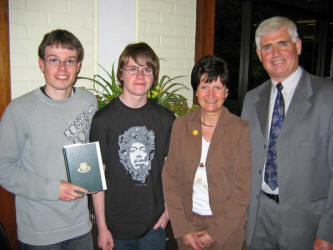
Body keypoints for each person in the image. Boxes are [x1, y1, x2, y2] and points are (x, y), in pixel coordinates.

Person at [241, 16, 333, 250]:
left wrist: (328, 232)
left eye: (282, 44)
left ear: (298, 46)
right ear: (259, 55)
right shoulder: (252, 99)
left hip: (307, 224)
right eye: (267, 47)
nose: (275, 54)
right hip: (258, 218)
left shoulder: (327, 96)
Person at [0, 29, 97, 249]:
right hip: (39, 232)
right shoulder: (19, 110)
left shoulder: (89, 102)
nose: (62, 68)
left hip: (81, 226)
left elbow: (88, 150)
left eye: (70, 61)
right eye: (54, 60)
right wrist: (53, 189)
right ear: (41, 64)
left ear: (78, 66)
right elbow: (3, 168)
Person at [90, 42, 175, 250]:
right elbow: (96, 178)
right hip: (115, 228)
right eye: (133, 69)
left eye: (147, 70)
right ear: (121, 75)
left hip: (154, 226)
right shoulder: (103, 120)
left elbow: (174, 170)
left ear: (154, 77)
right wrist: (102, 227)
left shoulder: (166, 119)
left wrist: (168, 212)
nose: (140, 76)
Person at [162, 55, 252, 250]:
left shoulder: (240, 129)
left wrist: (216, 233)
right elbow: (170, 180)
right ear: (196, 91)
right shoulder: (181, 125)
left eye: (218, 87)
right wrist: (183, 228)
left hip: (227, 229)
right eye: (204, 86)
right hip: (188, 222)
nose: (211, 94)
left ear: (227, 92)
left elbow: (242, 190)